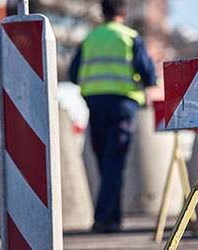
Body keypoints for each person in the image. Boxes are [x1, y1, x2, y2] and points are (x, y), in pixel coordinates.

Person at [69, 0, 157, 233]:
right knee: (114, 163)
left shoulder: (90, 39)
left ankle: (112, 219)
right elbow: (149, 76)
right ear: (124, 13)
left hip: (95, 104)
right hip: (122, 106)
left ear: (102, 13)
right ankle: (103, 218)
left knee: (104, 162)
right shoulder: (130, 37)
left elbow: (73, 73)